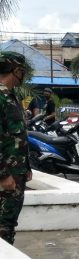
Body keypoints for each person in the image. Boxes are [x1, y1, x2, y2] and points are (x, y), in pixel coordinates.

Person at [0, 51, 33, 245]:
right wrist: (3, 174)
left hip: (15, 171)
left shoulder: (10, 97)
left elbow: (17, 137)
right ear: (16, 70)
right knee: (3, 228)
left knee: (8, 225)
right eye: (23, 71)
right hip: (6, 174)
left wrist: (26, 167)